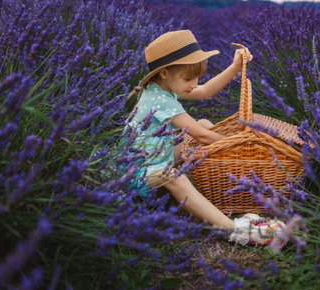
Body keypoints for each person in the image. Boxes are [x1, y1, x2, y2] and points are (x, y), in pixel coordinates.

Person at [122, 30, 285, 247]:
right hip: (135, 172)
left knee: (204, 122)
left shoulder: (164, 87)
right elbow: (200, 136)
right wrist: (239, 143)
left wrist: (235, 67)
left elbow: (207, 91)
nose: (194, 83)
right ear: (164, 73)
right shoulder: (159, 100)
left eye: (197, 77)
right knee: (174, 176)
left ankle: (226, 185)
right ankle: (235, 230)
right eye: (189, 78)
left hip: (156, 156)